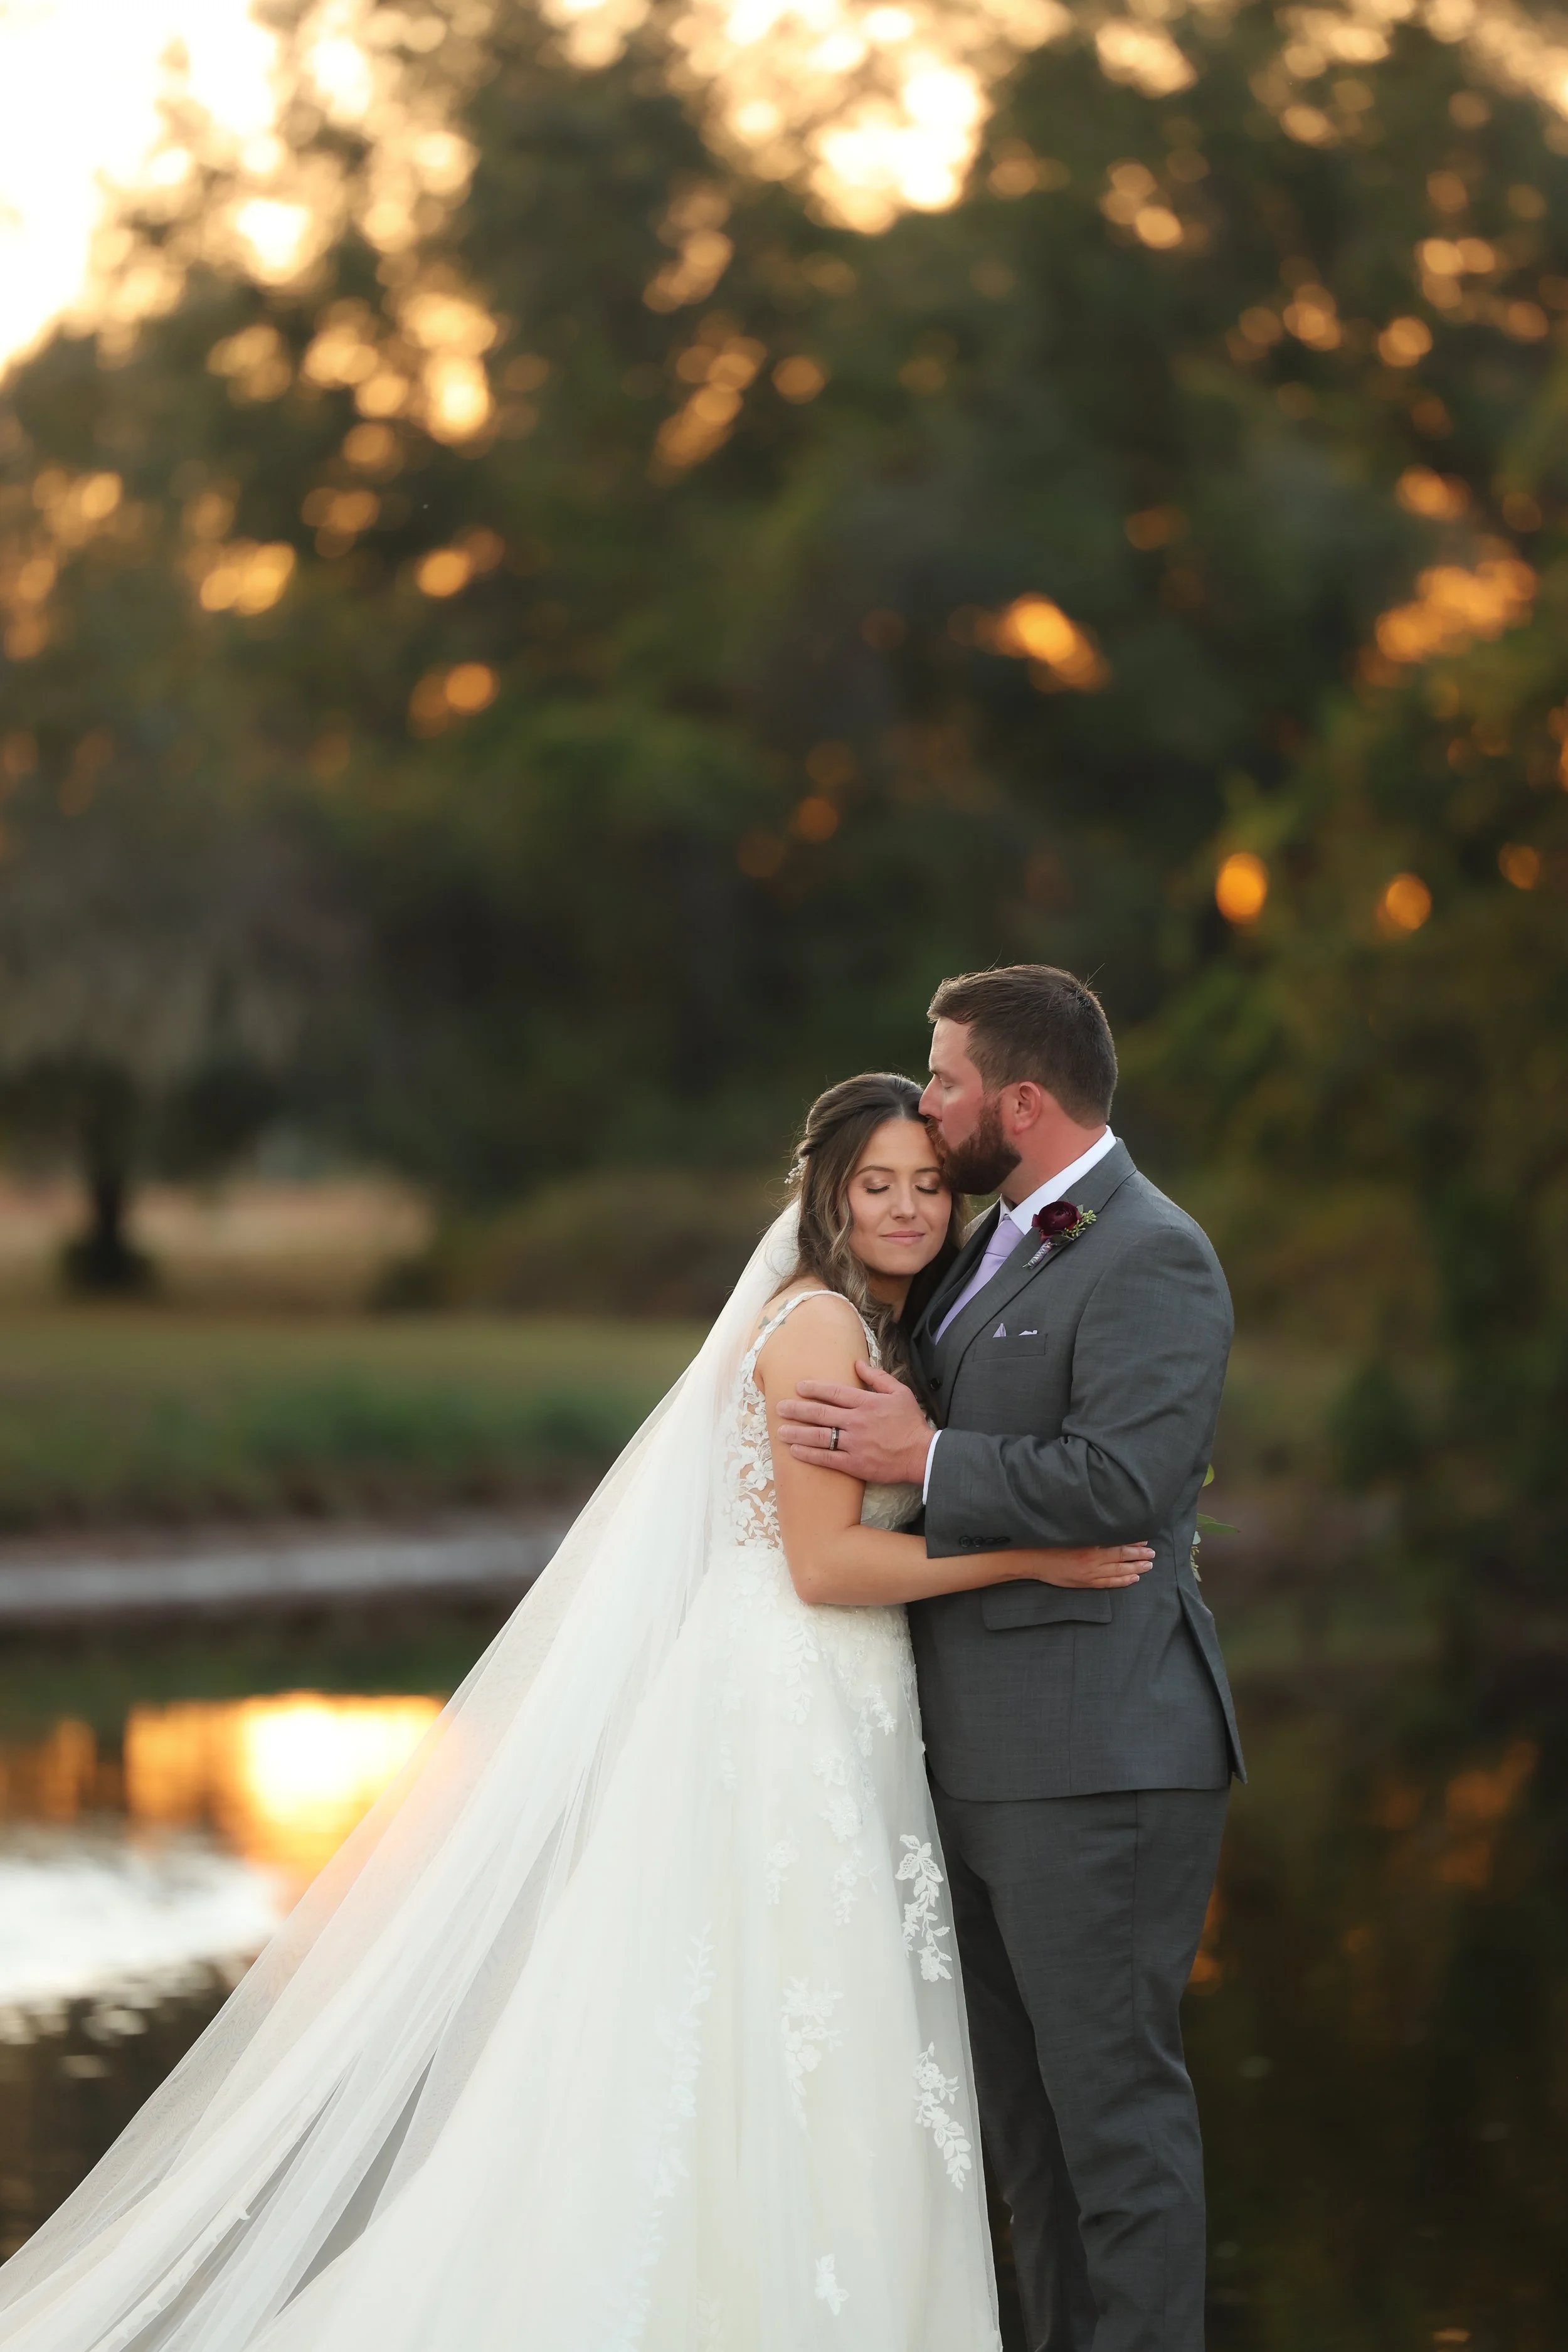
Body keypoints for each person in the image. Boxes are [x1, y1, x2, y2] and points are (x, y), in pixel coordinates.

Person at [0, 1071, 1150, 2352]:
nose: (904, 1208)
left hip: (826, 1702)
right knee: (788, 2025)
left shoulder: (869, 1329)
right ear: (824, 1195)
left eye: (926, 1185)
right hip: (785, 1707)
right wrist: (1033, 1557)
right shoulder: (821, 1327)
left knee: (776, 2035)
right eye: (873, 1184)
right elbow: (821, 1568)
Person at [781, 968, 1244, 2352]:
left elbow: (1126, 1480)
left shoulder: (1151, 1253)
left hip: (1099, 1762)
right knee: (1025, 2140)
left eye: (946, 1084)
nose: (929, 1104)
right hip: (977, 1767)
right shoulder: (1005, 1242)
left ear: (1021, 1104)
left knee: (1111, 2121)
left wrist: (924, 1459)